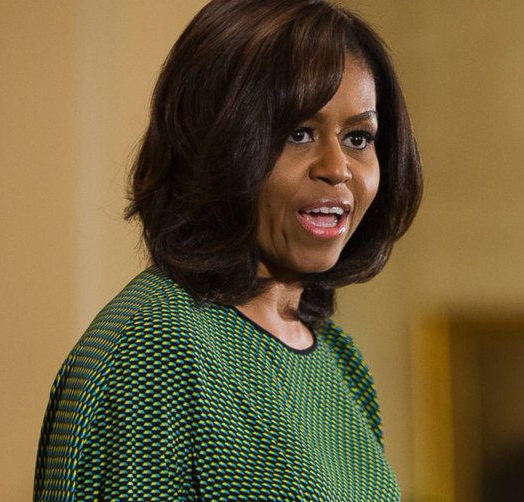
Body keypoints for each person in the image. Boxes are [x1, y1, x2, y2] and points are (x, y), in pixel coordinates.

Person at [33, 1, 422, 500]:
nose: (337, 168)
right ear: (212, 143)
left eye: (358, 138)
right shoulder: (156, 349)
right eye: (299, 133)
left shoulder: (339, 360)